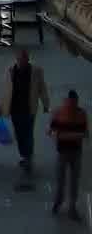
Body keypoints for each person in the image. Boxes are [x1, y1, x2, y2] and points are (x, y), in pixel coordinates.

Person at [0, 49, 52, 175]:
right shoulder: (10, 71)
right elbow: (7, 91)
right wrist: (2, 106)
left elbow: (42, 88)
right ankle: (24, 155)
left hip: (29, 108)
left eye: (23, 59)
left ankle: (28, 157)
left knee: (28, 133)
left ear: (27, 59)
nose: (21, 62)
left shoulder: (36, 71)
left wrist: (46, 104)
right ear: (16, 60)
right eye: (19, 59)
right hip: (15, 109)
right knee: (19, 134)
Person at [53, 89, 88, 217]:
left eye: (75, 103)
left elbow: (85, 133)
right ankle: (59, 201)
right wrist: (73, 136)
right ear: (67, 102)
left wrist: (64, 135)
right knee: (61, 179)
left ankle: (71, 206)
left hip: (75, 152)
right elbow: (52, 131)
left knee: (74, 181)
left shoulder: (81, 114)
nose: (73, 105)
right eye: (71, 103)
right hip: (63, 152)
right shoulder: (59, 113)